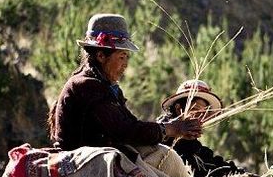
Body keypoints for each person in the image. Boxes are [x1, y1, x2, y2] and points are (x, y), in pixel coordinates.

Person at [49, 14, 202, 154]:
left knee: (163, 156)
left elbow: (131, 125)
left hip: (96, 158)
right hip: (80, 163)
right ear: (101, 56)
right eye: (122, 57)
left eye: (127, 58)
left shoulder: (107, 88)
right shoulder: (86, 86)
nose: (126, 65)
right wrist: (170, 129)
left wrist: (169, 128)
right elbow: (124, 131)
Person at [158, 79, 271, 177]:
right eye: (196, 111)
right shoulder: (160, 134)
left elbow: (212, 165)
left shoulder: (192, 145)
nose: (200, 119)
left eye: (204, 114)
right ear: (179, 109)